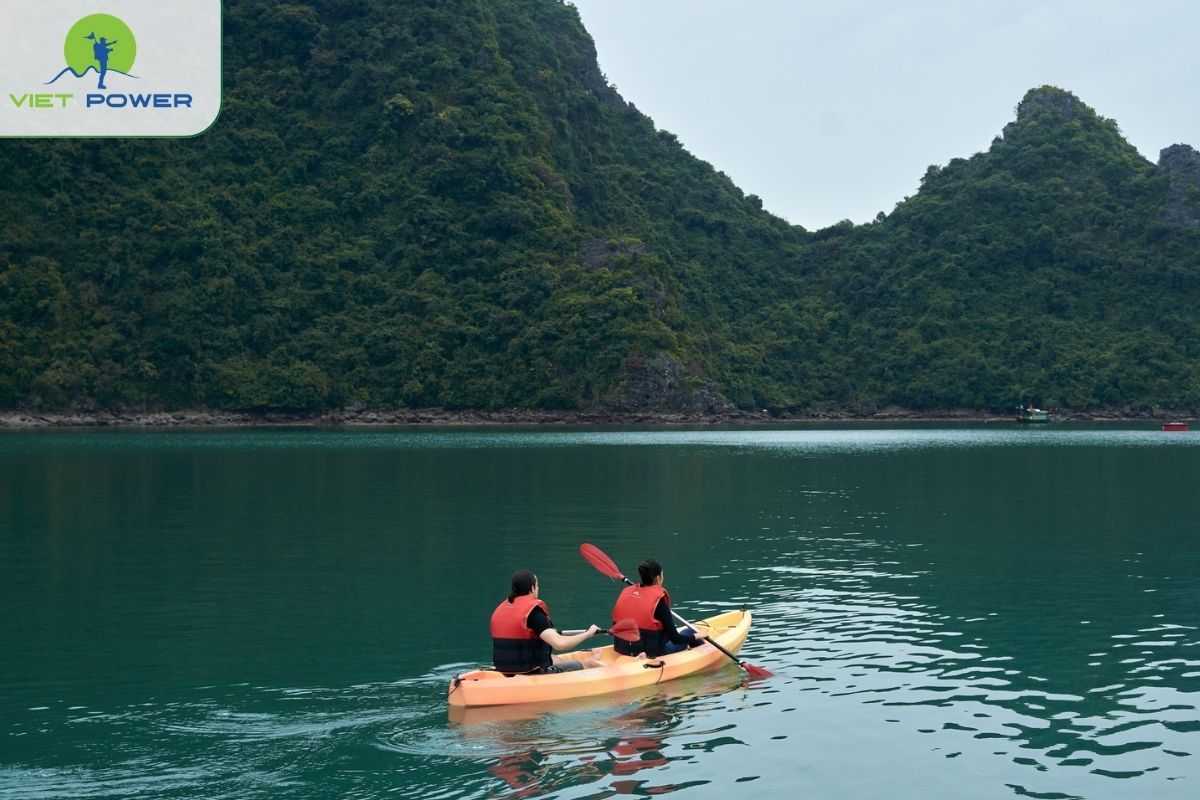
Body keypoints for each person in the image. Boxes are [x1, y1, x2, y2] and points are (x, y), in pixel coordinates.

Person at [490, 570, 603, 675]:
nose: (538, 588)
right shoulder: (534, 613)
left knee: (552, 657)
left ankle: (580, 662)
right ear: (532, 588)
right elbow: (560, 644)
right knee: (590, 665)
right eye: (537, 585)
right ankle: (589, 662)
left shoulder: (501, 609)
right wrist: (588, 634)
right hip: (532, 674)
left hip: (503, 670)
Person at [611, 559, 708, 658]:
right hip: (654, 654)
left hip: (623, 649)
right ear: (658, 578)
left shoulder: (628, 593)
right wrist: (696, 636)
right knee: (691, 631)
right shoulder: (659, 602)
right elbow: (676, 639)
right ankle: (706, 654)